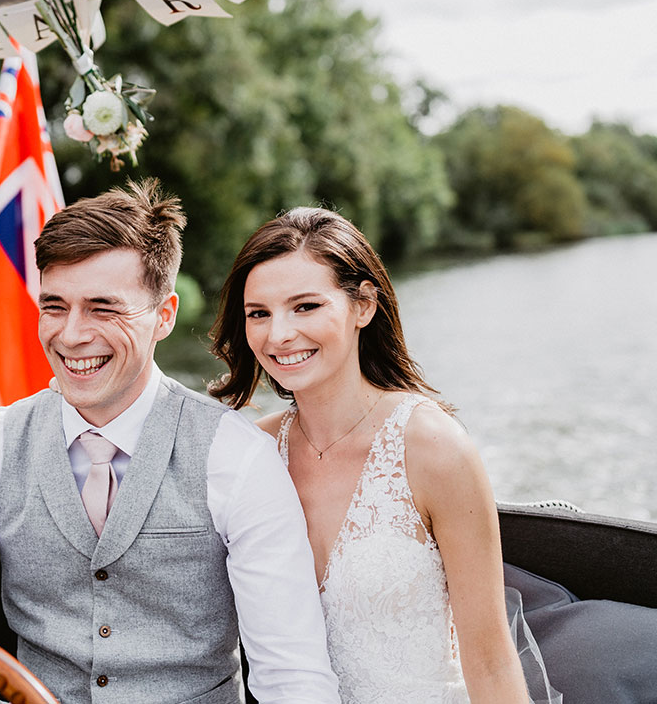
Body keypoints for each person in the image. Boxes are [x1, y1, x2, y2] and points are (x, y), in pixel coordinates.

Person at [0, 180, 341, 704]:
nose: (71, 334)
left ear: (163, 317)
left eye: (103, 308)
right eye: (54, 306)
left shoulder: (237, 454)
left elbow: (292, 677)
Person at [208, 206, 558, 703]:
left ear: (364, 306)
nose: (278, 334)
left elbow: (490, 661)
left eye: (305, 306)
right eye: (258, 313)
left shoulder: (433, 447)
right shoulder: (249, 452)